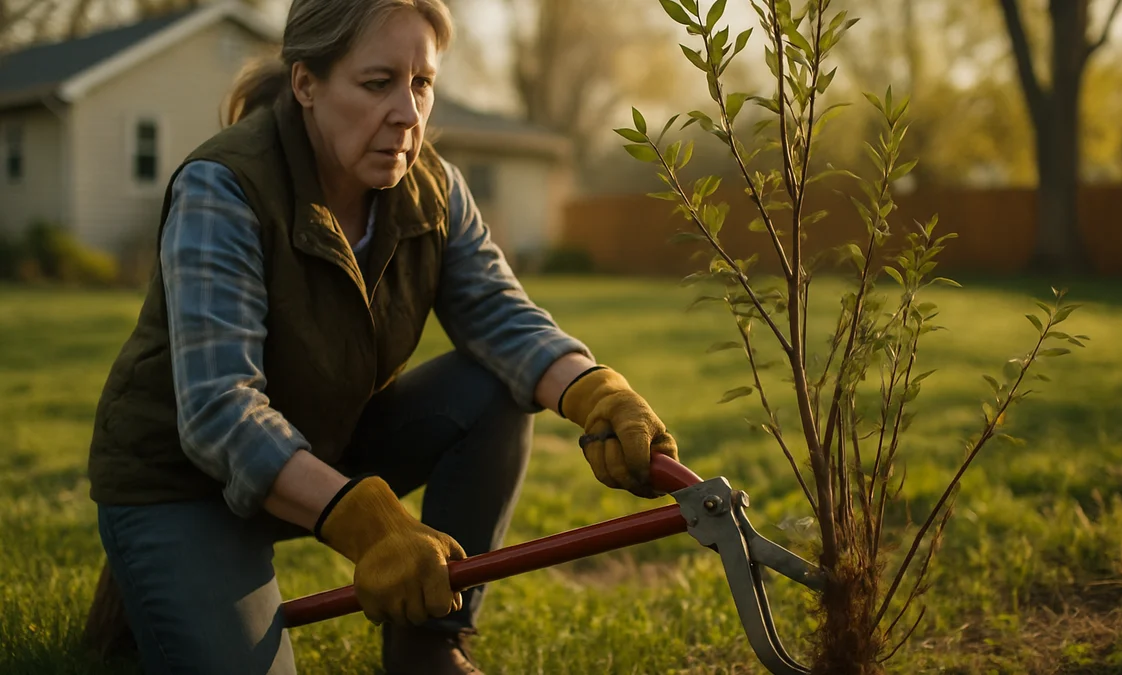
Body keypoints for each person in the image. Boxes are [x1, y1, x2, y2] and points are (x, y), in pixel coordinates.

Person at [85, 1, 678, 673]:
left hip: (322, 447)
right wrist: (373, 525)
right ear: (306, 83)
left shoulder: (434, 189)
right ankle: (154, 574)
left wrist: (598, 391)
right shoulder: (224, 188)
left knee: (492, 383)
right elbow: (220, 411)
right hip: (183, 482)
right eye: (377, 83)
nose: (407, 113)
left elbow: (503, 318)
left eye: (421, 83)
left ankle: (428, 646)